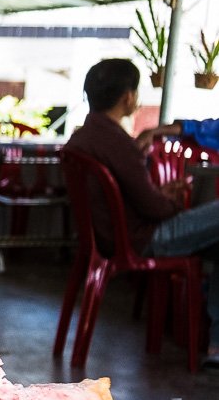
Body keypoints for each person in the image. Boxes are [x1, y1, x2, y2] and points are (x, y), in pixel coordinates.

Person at [66, 59, 219, 365]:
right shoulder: (117, 142)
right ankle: (216, 344)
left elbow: (129, 197)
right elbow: (152, 208)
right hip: (142, 239)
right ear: (128, 97)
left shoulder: (83, 137)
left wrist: (158, 196)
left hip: (115, 236)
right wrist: (172, 202)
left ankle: (216, 347)